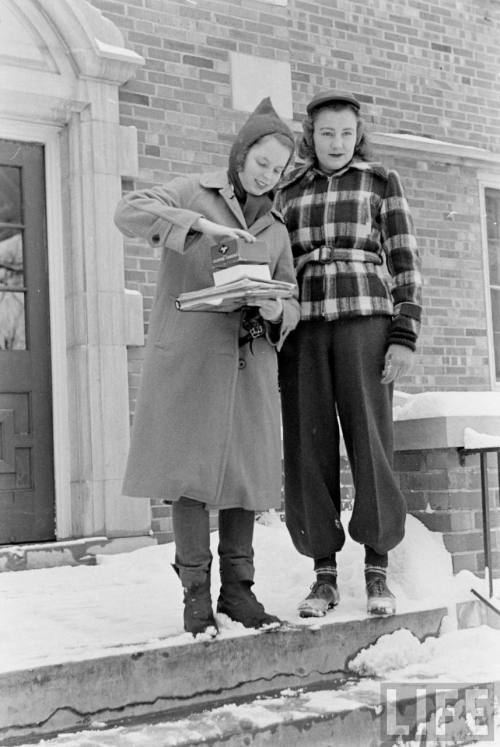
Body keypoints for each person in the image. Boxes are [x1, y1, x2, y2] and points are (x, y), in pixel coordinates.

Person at [114, 98, 300, 637]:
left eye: (279, 170)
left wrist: (275, 308)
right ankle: (196, 597)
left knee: (244, 477)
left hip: (249, 363)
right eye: (262, 162)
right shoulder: (191, 192)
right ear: (241, 155)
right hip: (192, 358)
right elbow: (128, 211)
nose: (268, 176)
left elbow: (291, 299)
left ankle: (239, 594)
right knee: (189, 477)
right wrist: (200, 228)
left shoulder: (278, 228)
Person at [275, 90, 422, 618]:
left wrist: (403, 335)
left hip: (366, 323)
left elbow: (404, 260)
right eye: (325, 133)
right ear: (309, 137)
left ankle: (378, 571)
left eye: (345, 132)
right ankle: (323, 577)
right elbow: (274, 259)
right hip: (305, 329)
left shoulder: (381, 182)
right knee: (308, 449)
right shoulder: (288, 189)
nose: (335, 142)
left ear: (357, 135)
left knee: (371, 444)